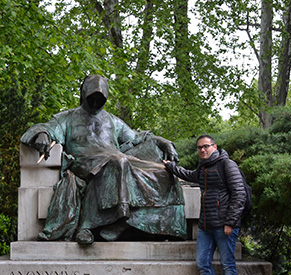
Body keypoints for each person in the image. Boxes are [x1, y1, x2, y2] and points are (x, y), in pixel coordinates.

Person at [20, 75, 187, 244]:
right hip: (84, 160)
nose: (95, 102)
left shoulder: (113, 120)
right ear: (84, 94)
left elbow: (137, 137)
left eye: (100, 98)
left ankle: (129, 225)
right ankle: (94, 225)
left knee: (165, 172)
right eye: (92, 97)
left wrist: (163, 142)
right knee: (118, 162)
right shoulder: (67, 118)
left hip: (114, 157)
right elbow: (45, 127)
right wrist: (41, 134)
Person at [163, 135, 246, 275]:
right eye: (199, 147)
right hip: (206, 226)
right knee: (202, 263)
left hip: (224, 225)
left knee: (228, 265)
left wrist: (231, 223)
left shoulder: (227, 165)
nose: (202, 150)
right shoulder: (203, 167)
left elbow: (239, 195)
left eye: (206, 146)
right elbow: (190, 175)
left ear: (214, 146)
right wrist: (170, 167)